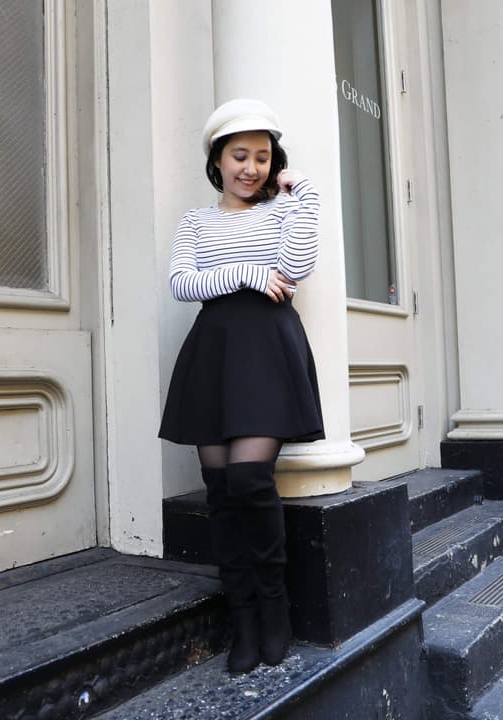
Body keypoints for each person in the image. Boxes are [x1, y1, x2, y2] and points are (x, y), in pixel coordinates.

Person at [158, 98, 325, 674]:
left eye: (262, 157)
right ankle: (243, 619)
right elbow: (183, 282)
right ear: (218, 160)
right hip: (216, 349)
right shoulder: (196, 222)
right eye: (239, 156)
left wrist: (304, 193)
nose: (250, 168)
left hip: (268, 349)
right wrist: (248, 274)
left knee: (252, 478)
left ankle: (274, 610)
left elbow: (298, 264)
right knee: (220, 486)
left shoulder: (282, 212)